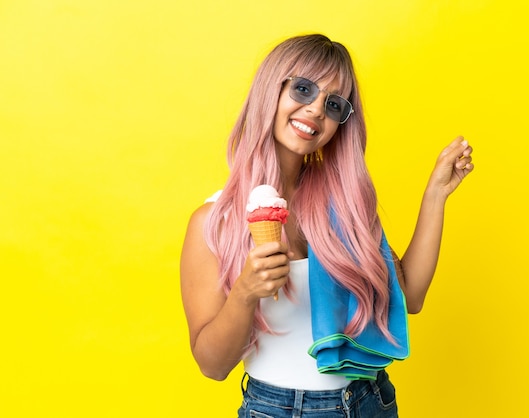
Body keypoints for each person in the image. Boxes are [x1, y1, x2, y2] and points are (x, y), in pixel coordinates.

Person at [180, 34, 474, 417]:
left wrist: (436, 195)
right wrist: (245, 293)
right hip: (278, 409)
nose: (316, 110)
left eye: (333, 104)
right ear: (273, 89)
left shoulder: (345, 207)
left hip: (370, 401)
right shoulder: (213, 223)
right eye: (303, 89)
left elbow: (410, 297)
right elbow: (211, 366)